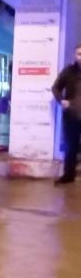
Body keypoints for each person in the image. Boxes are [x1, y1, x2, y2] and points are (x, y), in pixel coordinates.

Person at [52, 44, 81, 184]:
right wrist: (61, 100)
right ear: (75, 55)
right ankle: (68, 175)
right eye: (79, 54)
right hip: (71, 116)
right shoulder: (68, 71)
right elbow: (55, 87)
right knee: (71, 147)